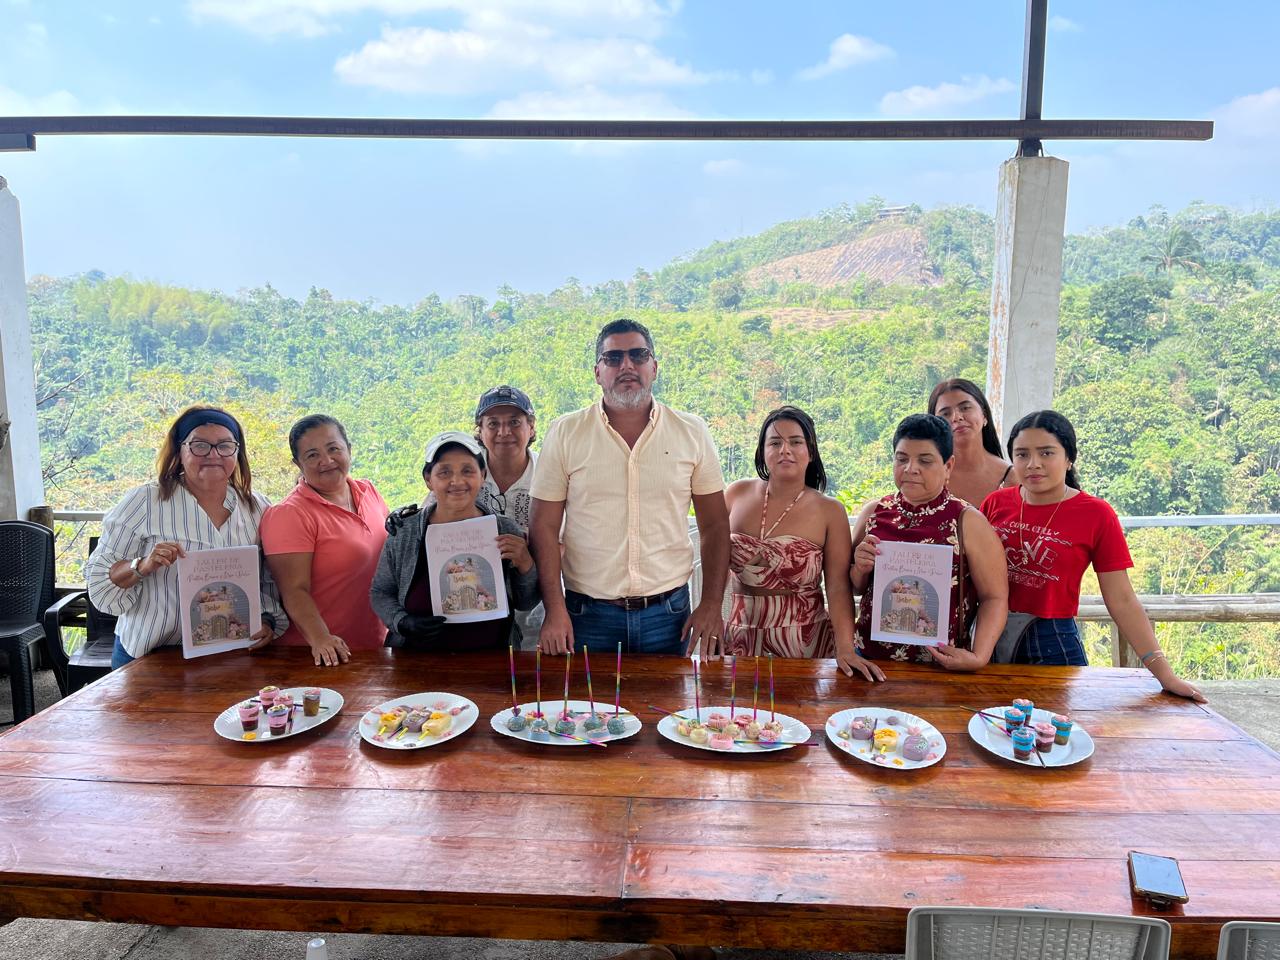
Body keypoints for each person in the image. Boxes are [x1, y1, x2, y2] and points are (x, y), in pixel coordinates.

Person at [529, 318, 730, 656]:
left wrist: (711, 604)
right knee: (587, 695)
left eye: (638, 355)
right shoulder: (566, 433)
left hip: (669, 615)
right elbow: (543, 527)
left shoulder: (691, 432)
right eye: (613, 358)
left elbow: (715, 524)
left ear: (654, 367)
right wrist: (554, 609)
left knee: (669, 694)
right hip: (587, 615)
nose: (626, 365)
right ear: (598, 372)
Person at [980, 410, 1207, 700]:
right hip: (988, 636)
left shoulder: (1096, 514)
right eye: (1022, 454)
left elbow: (1122, 599)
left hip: (1051, 641)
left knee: (1057, 725)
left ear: (1069, 458)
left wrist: (1165, 674)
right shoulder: (995, 503)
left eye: (1046, 453)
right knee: (986, 721)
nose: (1033, 464)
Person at [86, 405, 288, 667]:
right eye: (199, 445)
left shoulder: (257, 507)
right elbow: (100, 580)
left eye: (225, 446)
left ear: (237, 453)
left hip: (229, 653)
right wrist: (143, 565)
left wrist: (267, 621)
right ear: (179, 451)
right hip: (150, 654)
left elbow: (268, 579)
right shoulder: (144, 501)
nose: (213, 454)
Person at [724, 406, 884, 682]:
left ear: (810, 452)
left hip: (804, 640)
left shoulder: (830, 510)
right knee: (737, 708)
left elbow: (837, 587)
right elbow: (714, 562)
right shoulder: (736, 493)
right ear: (762, 451)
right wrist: (712, 619)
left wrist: (846, 648)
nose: (784, 450)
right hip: (739, 635)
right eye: (775, 442)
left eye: (795, 442)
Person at [387, 385, 545, 648]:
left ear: (531, 427)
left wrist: (526, 560)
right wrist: (400, 519)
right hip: (461, 618)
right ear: (480, 431)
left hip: (530, 612)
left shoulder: (549, 473)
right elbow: (430, 518)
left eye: (514, 422)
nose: (504, 432)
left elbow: (562, 544)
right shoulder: (466, 469)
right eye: (493, 423)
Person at [850, 414, 1009, 667]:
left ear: (948, 466)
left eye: (925, 460)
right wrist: (859, 568)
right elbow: (856, 588)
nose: (910, 468)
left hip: (943, 664)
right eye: (902, 459)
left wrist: (979, 656)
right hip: (871, 660)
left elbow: (994, 597)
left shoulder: (967, 521)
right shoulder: (874, 513)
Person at [260, 415, 389, 667]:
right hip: (318, 657)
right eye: (312, 455)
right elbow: (293, 590)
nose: (326, 461)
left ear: (348, 449)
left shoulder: (368, 491)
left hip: (376, 648)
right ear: (298, 463)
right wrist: (321, 639)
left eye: (333, 449)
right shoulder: (289, 514)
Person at [928, 378, 1015, 507]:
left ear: (984, 415)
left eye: (965, 408)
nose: (957, 417)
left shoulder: (1011, 478)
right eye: (945, 413)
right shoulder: (926, 476)